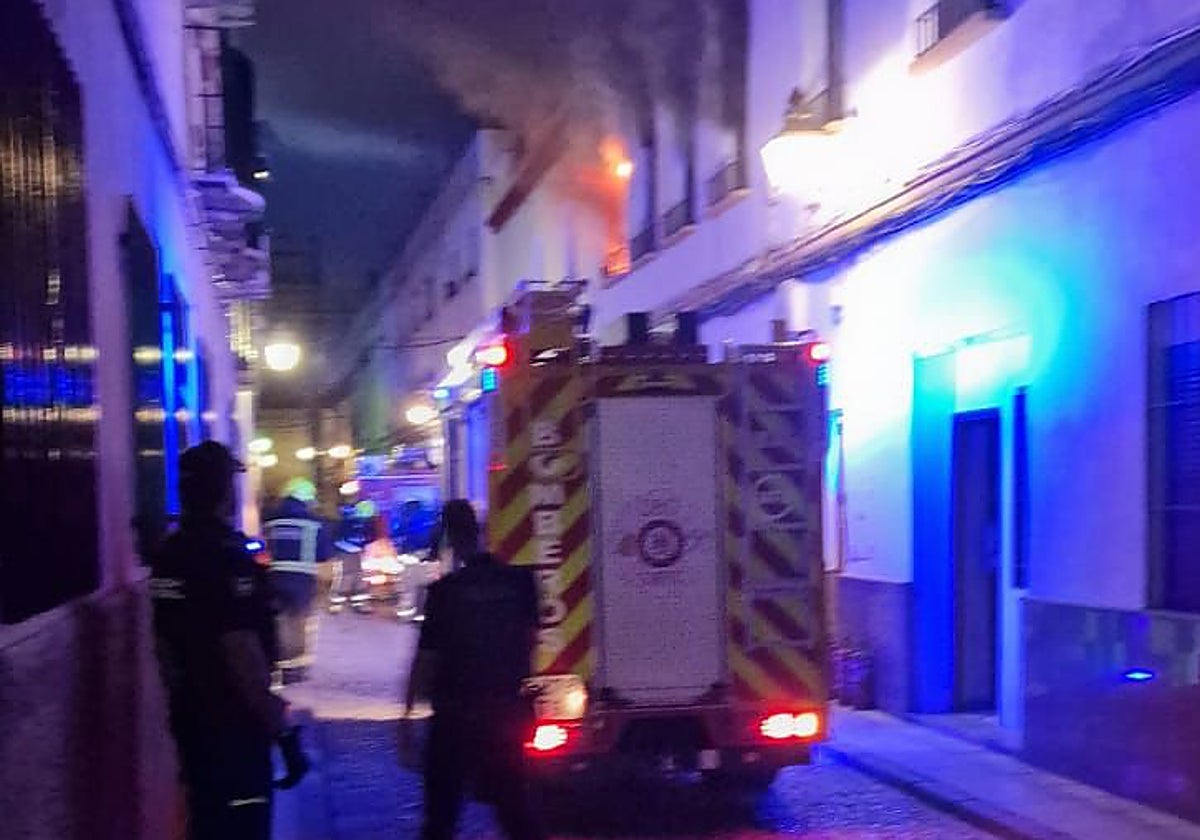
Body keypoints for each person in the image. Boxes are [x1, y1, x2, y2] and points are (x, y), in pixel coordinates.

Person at [150, 441, 308, 840]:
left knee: (205, 823)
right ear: (224, 491)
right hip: (235, 732)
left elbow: (164, 649)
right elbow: (242, 652)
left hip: (191, 726)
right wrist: (282, 733)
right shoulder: (226, 556)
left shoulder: (169, 555)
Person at [401, 499, 544, 840]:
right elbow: (531, 641)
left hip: (454, 720)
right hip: (505, 714)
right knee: (515, 813)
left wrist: (406, 717)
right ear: (480, 531)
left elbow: (426, 660)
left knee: (441, 819)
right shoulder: (520, 584)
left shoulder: (444, 593)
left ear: (449, 537)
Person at [262, 477, 332, 682]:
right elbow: (323, 555)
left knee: (278, 622)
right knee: (298, 623)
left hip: (274, 578)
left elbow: (265, 549)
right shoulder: (315, 523)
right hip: (302, 580)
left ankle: (277, 665)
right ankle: (293, 669)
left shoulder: (271, 521)